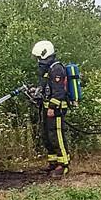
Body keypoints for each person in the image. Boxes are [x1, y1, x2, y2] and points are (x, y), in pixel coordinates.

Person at [31, 40, 70, 177]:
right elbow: (48, 88)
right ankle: (53, 163)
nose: (37, 61)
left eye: (38, 57)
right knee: (48, 137)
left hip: (56, 109)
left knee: (57, 135)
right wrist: (36, 91)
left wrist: (52, 107)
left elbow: (59, 91)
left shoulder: (56, 68)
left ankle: (63, 165)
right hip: (47, 109)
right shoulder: (48, 70)